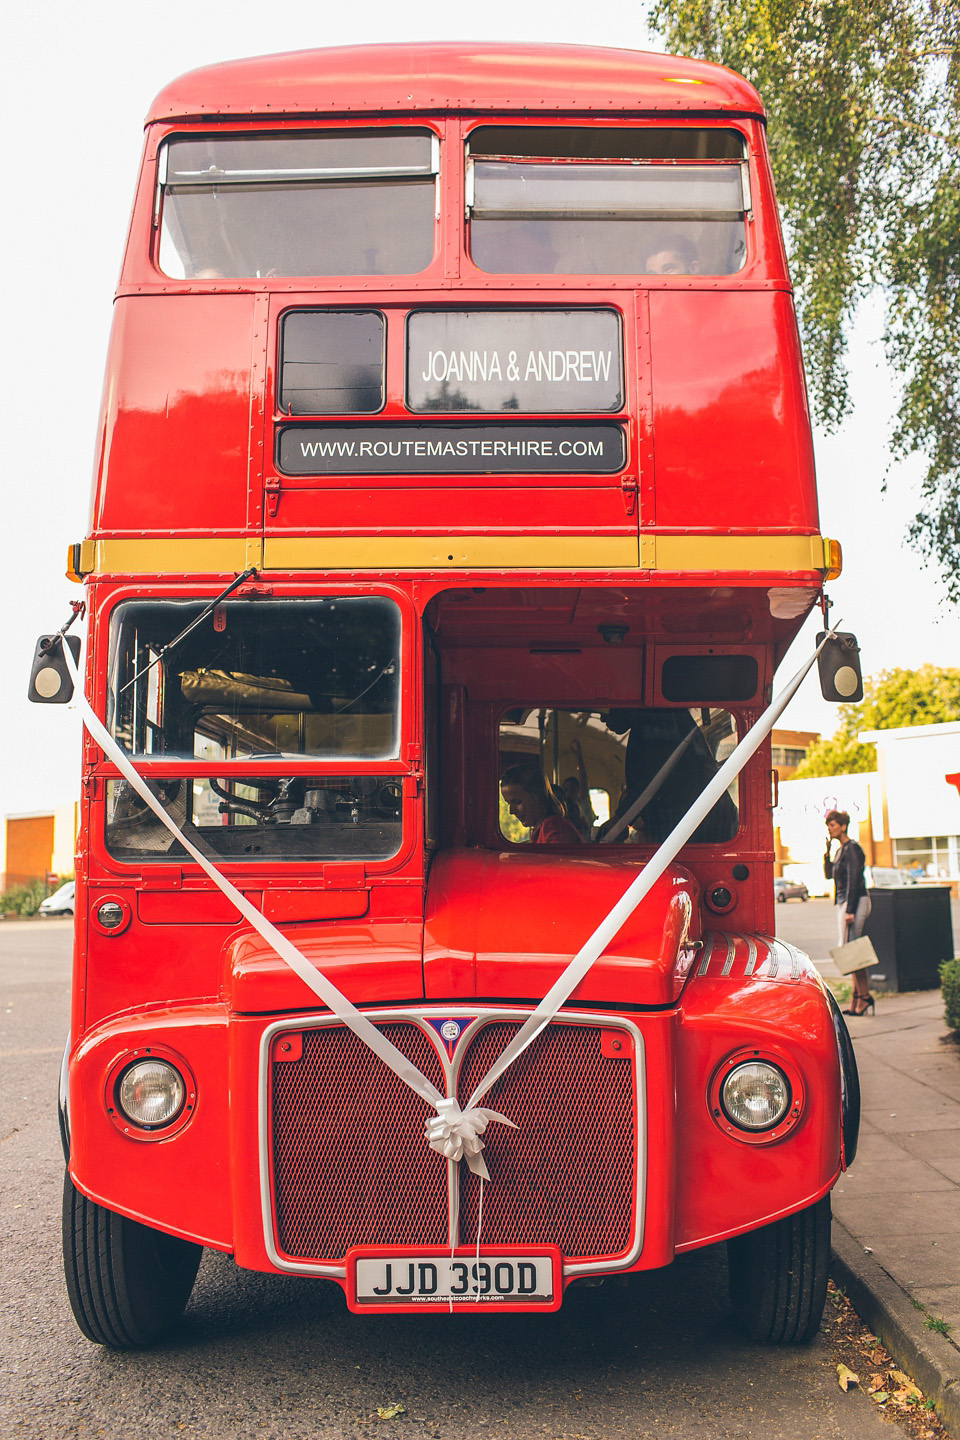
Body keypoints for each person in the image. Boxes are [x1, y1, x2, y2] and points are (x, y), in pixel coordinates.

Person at [824, 809, 874, 1015]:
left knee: (854, 951)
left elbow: (855, 879)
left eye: (833, 825)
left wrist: (850, 910)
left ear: (843, 826)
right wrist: (826, 852)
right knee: (851, 951)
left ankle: (863, 997)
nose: (830, 829)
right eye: (829, 826)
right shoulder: (840, 850)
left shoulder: (853, 848)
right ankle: (857, 999)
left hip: (855, 901)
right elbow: (828, 875)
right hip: (844, 902)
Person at [500, 763, 582, 845]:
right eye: (508, 804)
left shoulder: (553, 827)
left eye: (517, 802)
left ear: (538, 796)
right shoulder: (540, 829)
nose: (511, 811)